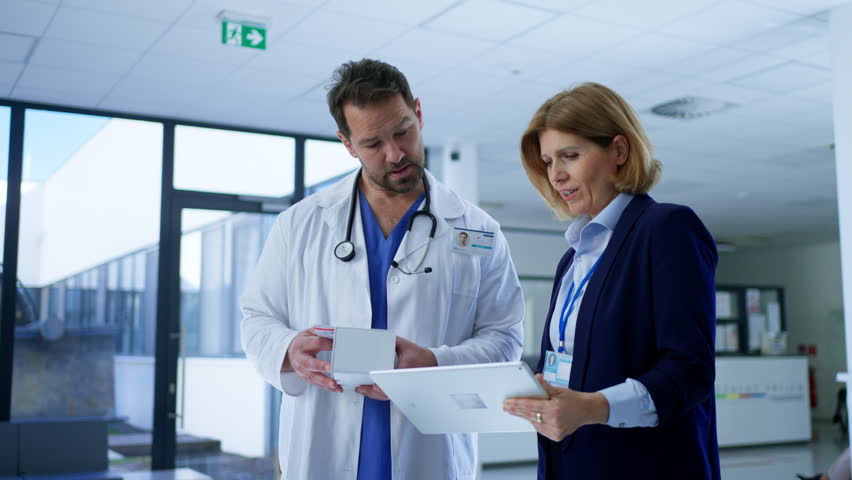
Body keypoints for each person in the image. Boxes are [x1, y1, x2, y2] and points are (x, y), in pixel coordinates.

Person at [240, 59, 524, 480]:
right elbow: (257, 317)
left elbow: (505, 337)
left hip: (431, 449)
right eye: (373, 143)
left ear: (419, 113)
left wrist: (432, 362)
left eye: (403, 131)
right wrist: (287, 349)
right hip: (323, 437)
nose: (395, 154)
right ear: (347, 143)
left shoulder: (476, 229)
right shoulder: (301, 224)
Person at [502, 82, 720, 479]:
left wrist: (592, 407)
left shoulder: (666, 228)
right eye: (549, 161)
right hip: (569, 459)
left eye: (570, 156)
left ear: (619, 151)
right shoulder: (573, 258)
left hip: (644, 464)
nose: (556, 175)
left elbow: (690, 370)